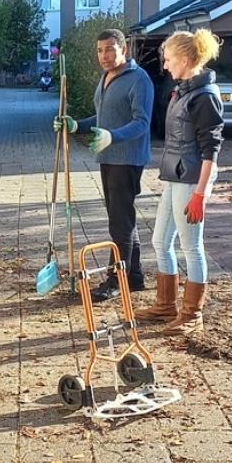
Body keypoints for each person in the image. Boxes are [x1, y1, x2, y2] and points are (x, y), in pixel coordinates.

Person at [54, 29, 154, 302]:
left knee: (118, 223)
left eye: (110, 49)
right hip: (108, 157)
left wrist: (113, 136)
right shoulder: (107, 78)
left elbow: (142, 122)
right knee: (124, 219)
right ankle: (134, 277)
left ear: (124, 49)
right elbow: (102, 116)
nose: (104, 55)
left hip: (127, 159)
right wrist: (77, 125)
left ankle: (115, 280)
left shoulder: (139, 80)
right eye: (99, 50)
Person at [136, 29, 225, 335]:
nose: (165, 65)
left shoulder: (204, 97)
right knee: (159, 241)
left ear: (185, 60)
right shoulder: (183, 91)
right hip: (175, 177)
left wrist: (200, 194)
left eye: (170, 59)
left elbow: (211, 149)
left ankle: (192, 314)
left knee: (192, 247)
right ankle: (165, 305)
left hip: (191, 182)